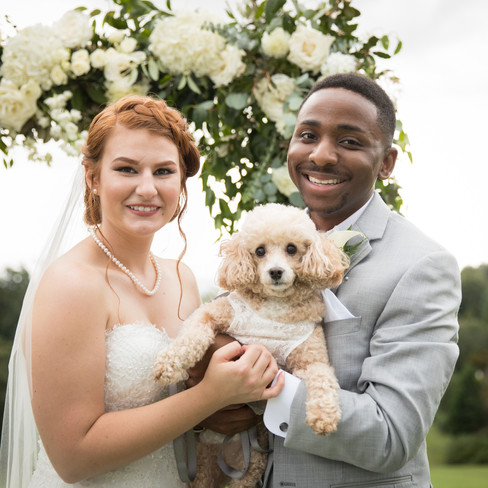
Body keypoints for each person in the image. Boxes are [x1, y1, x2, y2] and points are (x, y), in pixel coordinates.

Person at [191, 73, 461, 487]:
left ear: (386, 162)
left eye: (350, 141)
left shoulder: (422, 265)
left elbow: (391, 436)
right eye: (307, 135)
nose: (321, 155)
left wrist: (256, 387)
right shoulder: (263, 241)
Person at [0, 95, 284, 488]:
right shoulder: (72, 283)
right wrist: (209, 398)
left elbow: (180, 411)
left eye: (164, 171)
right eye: (127, 169)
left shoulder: (180, 276)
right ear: (93, 177)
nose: (147, 188)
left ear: (180, 182)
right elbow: (72, 457)